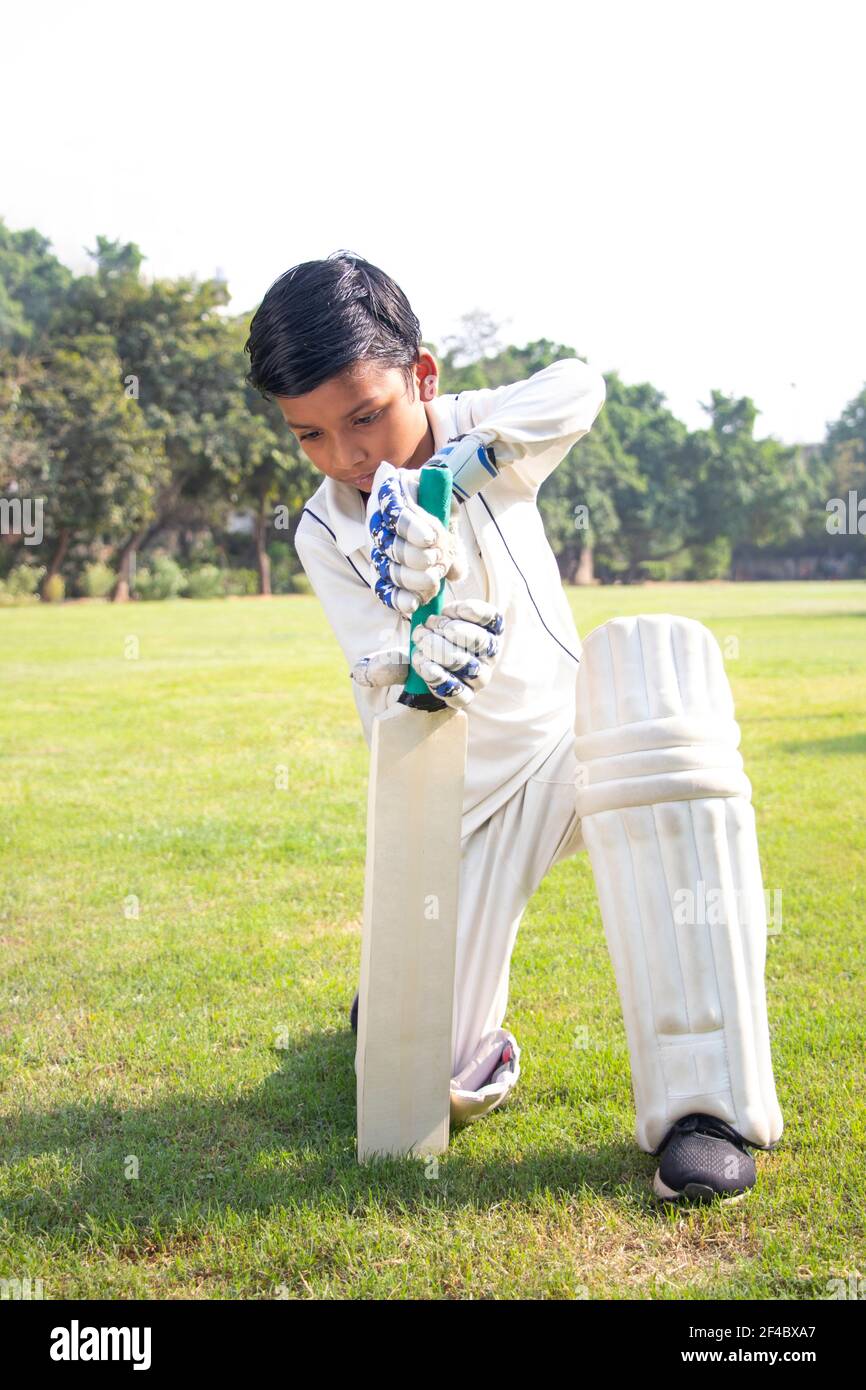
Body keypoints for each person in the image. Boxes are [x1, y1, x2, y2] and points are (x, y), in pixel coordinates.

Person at [244, 250, 784, 1202]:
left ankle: (708, 1111)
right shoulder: (325, 529)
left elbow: (579, 384)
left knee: (654, 683)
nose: (350, 458)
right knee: (422, 1085)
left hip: (586, 745)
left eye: (365, 416)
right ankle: (394, 1013)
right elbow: (382, 670)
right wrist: (417, 638)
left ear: (423, 375)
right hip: (463, 806)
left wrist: (471, 465)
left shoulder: (476, 429)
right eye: (311, 437)